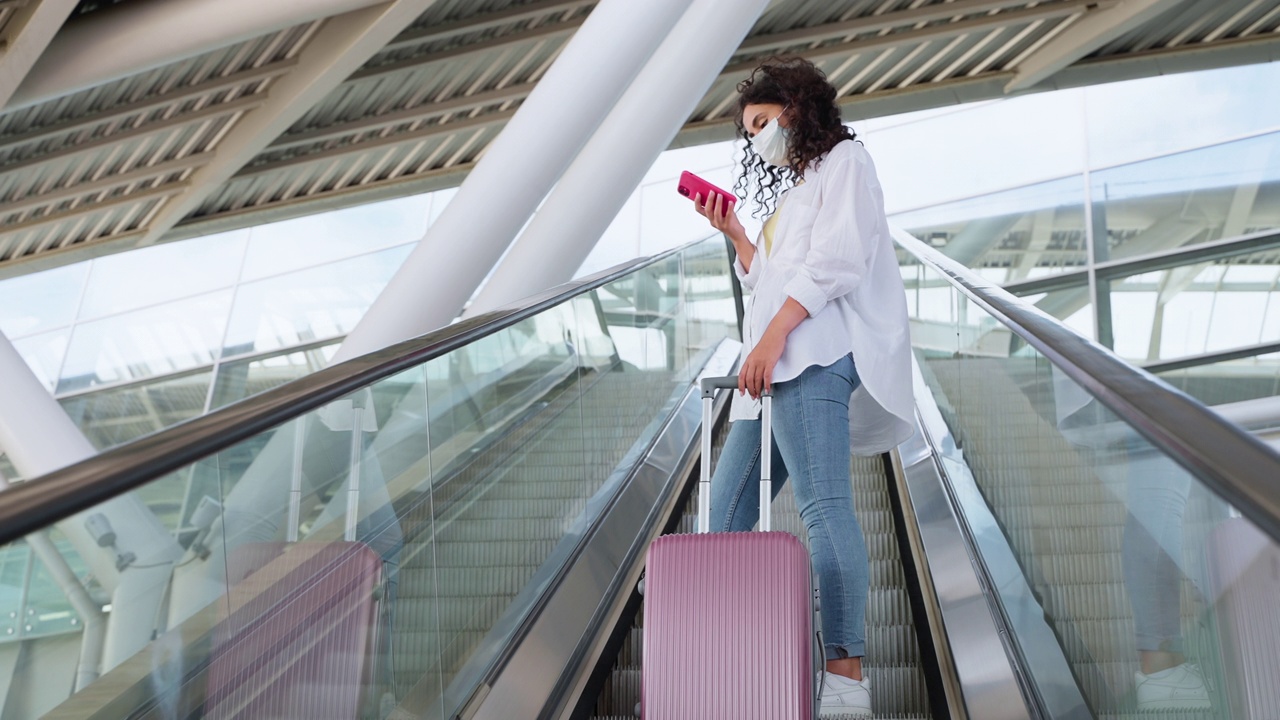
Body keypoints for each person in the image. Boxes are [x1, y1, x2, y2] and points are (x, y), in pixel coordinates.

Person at [693, 56, 914, 718]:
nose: (757, 136)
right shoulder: (793, 196)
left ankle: (845, 680)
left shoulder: (847, 161)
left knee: (823, 506)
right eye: (749, 129)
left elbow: (837, 263)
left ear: (798, 107)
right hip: (771, 370)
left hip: (813, 357)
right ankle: (732, 659)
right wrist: (734, 231)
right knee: (722, 522)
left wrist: (769, 339)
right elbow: (769, 281)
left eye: (763, 121)